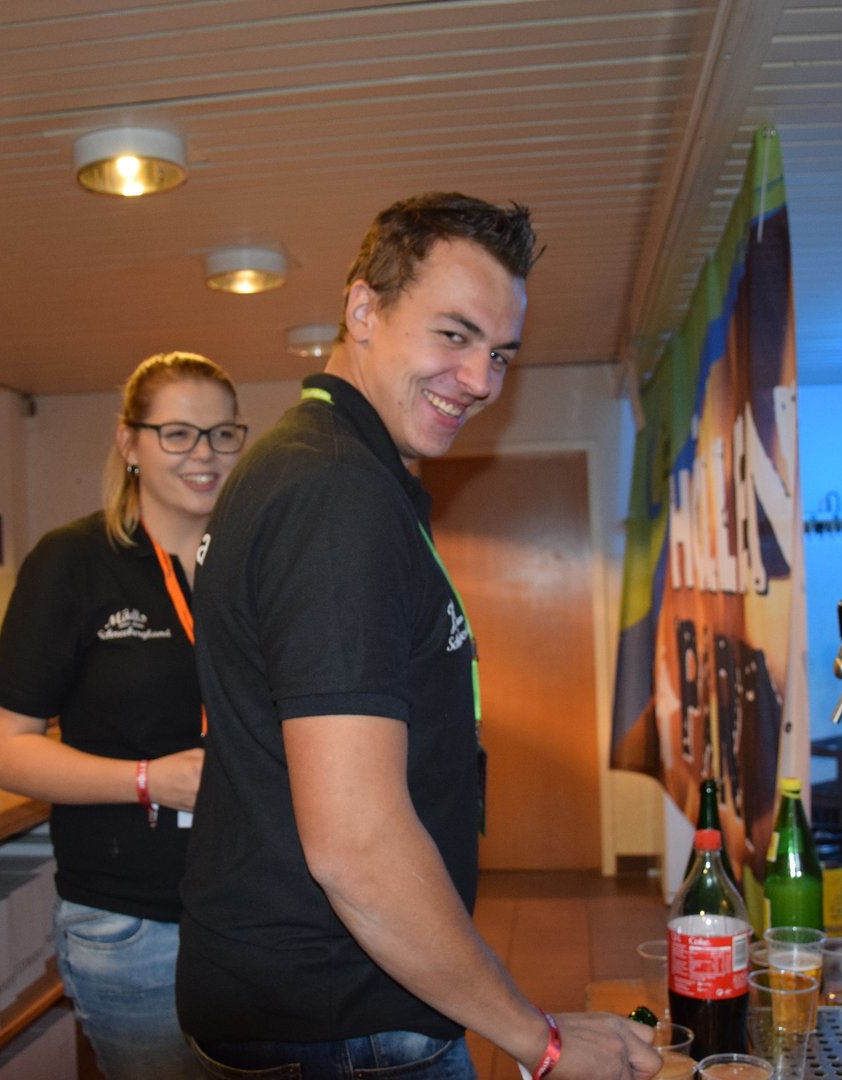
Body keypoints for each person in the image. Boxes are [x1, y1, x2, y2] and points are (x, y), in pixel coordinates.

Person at [177, 194, 659, 1080]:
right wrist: (541, 1041)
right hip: (339, 1020)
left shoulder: (319, 468)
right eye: (454, 335)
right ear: (364, 309)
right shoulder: (335, 494)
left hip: (314, 1003)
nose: (480, 380)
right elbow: (357, 843)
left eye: (500, 354)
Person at [0, 351, 245, 1080]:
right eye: (179, 434)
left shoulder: (253, 564)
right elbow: (4, 750)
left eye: (223, 434)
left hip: (256, 910)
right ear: (130, 442)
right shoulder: (72, 562)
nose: (205, 454)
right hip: (133, 923)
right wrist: (146, 779)